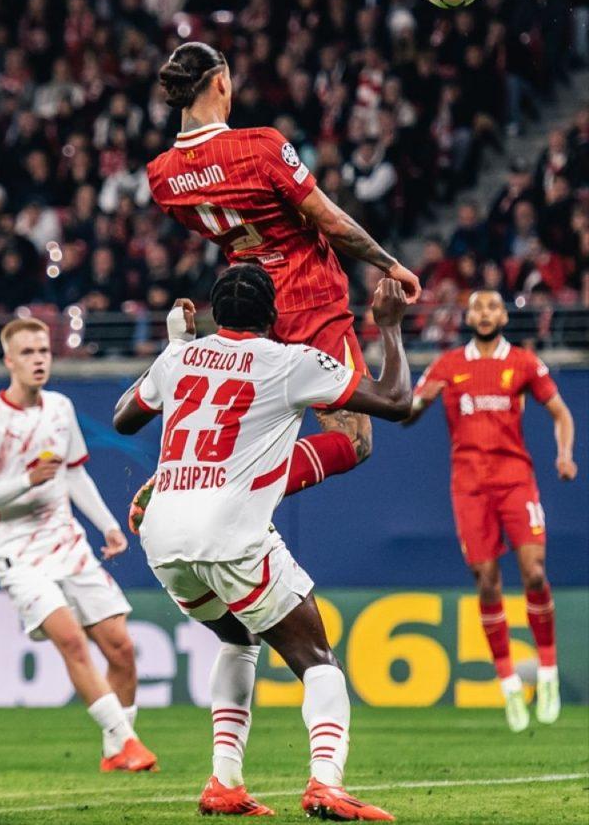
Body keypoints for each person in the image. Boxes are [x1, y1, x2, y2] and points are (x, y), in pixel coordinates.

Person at [114, 265, 412, 821]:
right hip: (229, 532)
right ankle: (325, 782)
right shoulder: (287, 362)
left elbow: (125, 418)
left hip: (162, 532)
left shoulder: (179, 355)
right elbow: (395, 400)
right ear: (274, 316)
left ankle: (225, 782)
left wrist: (178, 345)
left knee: (238, 639)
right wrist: (390, 327)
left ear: (212, 313)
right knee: (317, 659)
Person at [146, 41, 422, 495]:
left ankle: (186, 479)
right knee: (352, 440)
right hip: (309, 299)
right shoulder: (260, 146)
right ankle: (239, 488)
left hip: (247, 309)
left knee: (259, 431)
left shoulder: (161, 177)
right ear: (221, 82)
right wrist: (390, 265)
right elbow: (331, 222)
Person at [0, 317, 157, 773]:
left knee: (122, 649)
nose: (38, 360)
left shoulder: (61, 409)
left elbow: (73, 473)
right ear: (9, 360)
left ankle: (113, 751)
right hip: (15, 550)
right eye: (27, 353)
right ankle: (127, 742)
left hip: (67, 541)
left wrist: (107, 525)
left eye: (44, 351)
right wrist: (25, 481)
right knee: (70, 639)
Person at [405, 290, 577, 731]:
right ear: (468, 316)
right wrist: (414, 401)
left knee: (535, 573)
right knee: (486, 580)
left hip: (515, 480)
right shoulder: (447, 366)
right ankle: (508, 686)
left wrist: (564, 455)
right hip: (469, 487)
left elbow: (561, 413)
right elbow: (408, 413)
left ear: (504, 315)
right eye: (477, 307)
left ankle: (548, 673)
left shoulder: (522, 362)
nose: (484, 314)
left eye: (492, 307)